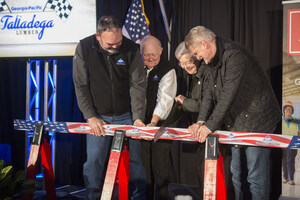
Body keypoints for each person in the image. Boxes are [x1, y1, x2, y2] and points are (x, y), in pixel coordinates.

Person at [185, 26, 281, 200]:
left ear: (204, 44)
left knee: (255, 177)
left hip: (258, 120)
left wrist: (209, 127)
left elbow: (227, 96)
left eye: (197, 53)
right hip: (237, 121)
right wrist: (200, 121)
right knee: (237, 174)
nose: (197, 58)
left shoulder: (235, 55)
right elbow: (209, 94)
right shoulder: (211, 62)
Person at [73, 16, 147, 200]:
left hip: (126, 116)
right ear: (98, 36)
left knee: (135, 161)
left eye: (118, 42)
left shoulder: (131, 48)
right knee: (94, 161)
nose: (115, 47)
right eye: (110, 44)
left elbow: (138, 85)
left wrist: (138, 117)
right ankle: (93, 196)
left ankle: (138, 197)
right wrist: (90, 116)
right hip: (98, 117)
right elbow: (80, 85)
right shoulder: (84, 47)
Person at [174, 42, 233, 199]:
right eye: (182, 63)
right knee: (203, 178)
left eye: (189, 61)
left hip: (215, 134)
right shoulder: (190, 76)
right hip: (200, 136)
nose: (186, 66)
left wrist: (185, 102)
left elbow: (209, 103)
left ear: (197, 57)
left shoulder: (208, 72)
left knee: (218, 181)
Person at [140, 35, 177, 200]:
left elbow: (165, 100)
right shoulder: (136, 67)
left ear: (161, 51)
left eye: (153, 54)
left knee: (160, 169)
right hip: (140, 125)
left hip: (160, 127)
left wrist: (153, 122)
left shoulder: (168, 69)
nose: (149, 58)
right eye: (146, 54)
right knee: (143, 169)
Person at [282, 101, 300, 185]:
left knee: (290, 160)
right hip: (281, 143)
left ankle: (291, 179)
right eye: (287, 109)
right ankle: (285, 178)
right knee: (284, 161)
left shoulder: (297, 121)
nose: (288, 111)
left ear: (292, 111)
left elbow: (299, 132)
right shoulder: (280, 120)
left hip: (292, 143)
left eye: (290, 109)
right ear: (284, 110)